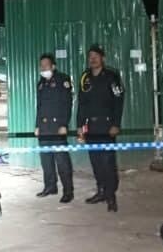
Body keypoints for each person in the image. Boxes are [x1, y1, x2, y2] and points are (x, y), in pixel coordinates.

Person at [76, 45, 125, 212]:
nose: (93, 59)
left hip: (107, 127)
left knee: (108, 163)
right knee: (96, 162)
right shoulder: (85, 77)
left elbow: (119, 101)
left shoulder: (112, 76)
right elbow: (82, 104)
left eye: (96, 56)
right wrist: (80, 126)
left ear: (102, 58)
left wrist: (116, 124)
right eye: (90, 56)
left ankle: (111, 197)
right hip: (91, 127)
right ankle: (101, 192)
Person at [34, 53, 74, 203]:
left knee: (62, 161)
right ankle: (50, 186)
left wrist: (64, 124)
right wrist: (37, 126)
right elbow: (39, 107)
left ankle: (68, 191)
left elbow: (67, 104)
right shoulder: (41, 84)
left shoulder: (63, 80)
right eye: (42, 65)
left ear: (53, 66)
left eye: (46, 65)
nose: (43, 68)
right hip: (44, 128)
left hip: (58, 127)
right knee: (46, 160)